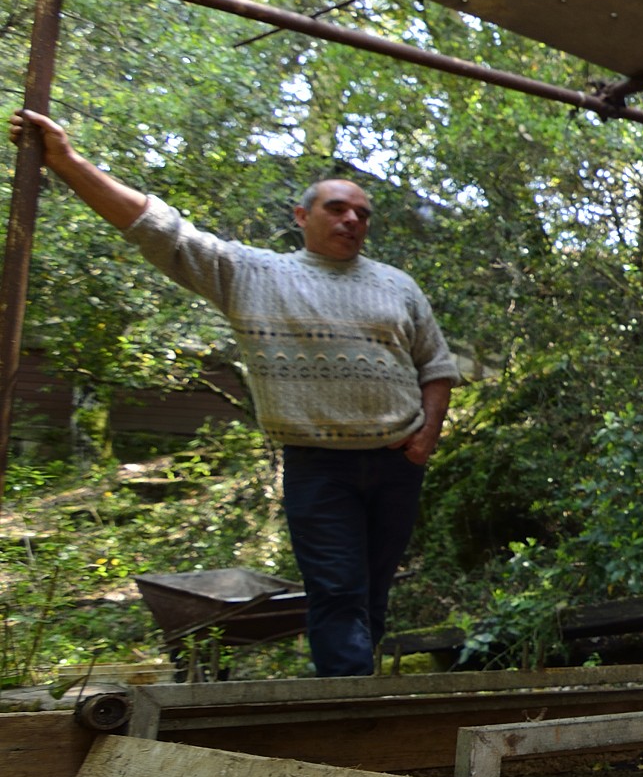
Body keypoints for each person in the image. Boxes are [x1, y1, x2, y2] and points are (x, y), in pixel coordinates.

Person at [9, 109, 456, 677]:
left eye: (362, 214)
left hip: (396, 463)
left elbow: (435, 366)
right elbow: (162, 230)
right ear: (301, 215)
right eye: (337, 208)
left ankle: (356, 702)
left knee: (372, 597)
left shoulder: (398, 284)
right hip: (319, 467)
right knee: (339, 592)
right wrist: (67, 163)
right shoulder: (253, 273)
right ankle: (350, 713)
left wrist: (426, 439)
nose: (352, 220)